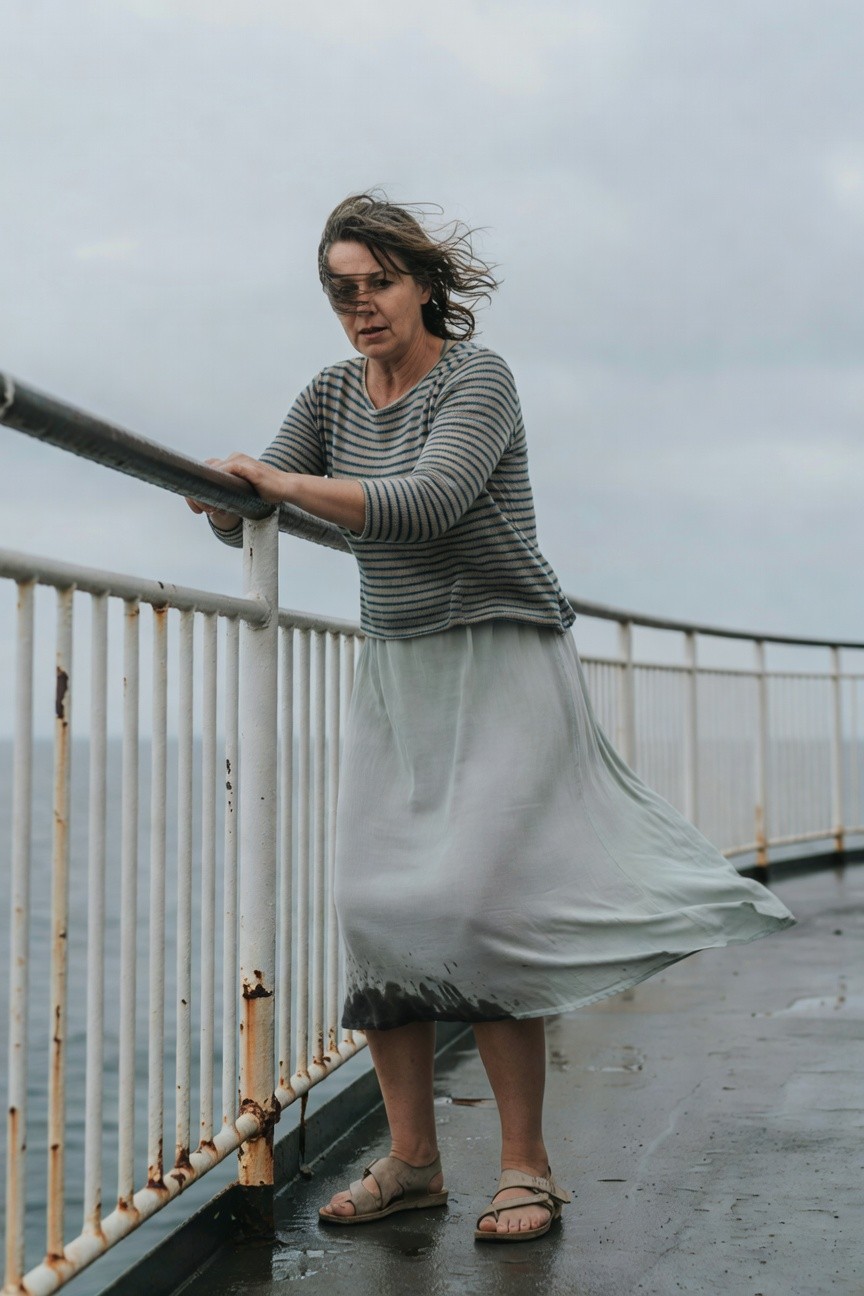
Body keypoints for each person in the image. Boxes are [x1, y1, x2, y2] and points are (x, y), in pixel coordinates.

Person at [187, 193, 795, 1242]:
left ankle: (528, 1168)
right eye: (342, 289)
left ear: (425, 284)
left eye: (377, 283)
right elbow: (265, 499)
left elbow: (427, 502)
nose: (361, 306)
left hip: (506, 651)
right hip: (402, 664)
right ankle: (414, 1163)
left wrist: (278, 481)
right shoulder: (332, 391)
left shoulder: (478, 377)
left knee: (482, 906)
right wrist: (223, 495)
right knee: (376, 913)